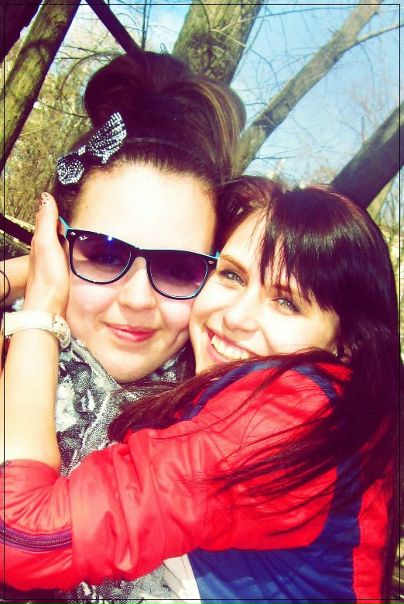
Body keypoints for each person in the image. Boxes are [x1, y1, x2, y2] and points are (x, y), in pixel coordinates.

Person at [1, 176, 399, 602]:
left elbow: (21, 536)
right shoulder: (226, 387)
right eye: (232, 276)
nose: (235, 318)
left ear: (348, 343)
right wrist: (27, 271)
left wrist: (40, 308)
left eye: (287, 302)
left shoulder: (298, 416)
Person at [1, 50, 245, 603]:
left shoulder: (234, 429)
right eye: (104, 253)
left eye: (179, 267)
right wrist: (24, 284)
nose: (137, 300)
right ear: (56, 246)